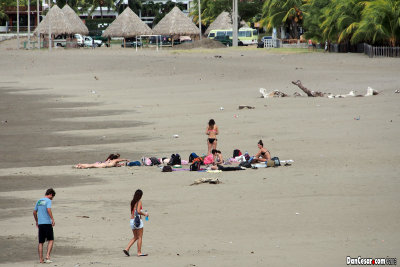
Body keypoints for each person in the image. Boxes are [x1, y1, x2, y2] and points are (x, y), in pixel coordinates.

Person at [33, 188, 56, 264]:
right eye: (52, 197)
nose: (52, 199)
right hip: (47, 223)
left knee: (41, 242)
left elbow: (34, 212)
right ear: (50, 194)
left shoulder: (39, 201)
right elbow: (48, 209)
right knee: (51, 240)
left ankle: (41, 259)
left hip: (40, 223)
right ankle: (47, 256)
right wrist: (52, 219)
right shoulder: (48, 201)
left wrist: (36, 221)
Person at [123, 189, 149, 257]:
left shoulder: (132, 202)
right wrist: (145, 214)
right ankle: (139, 252)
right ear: (140, 195)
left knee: (135, 237)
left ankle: (127, 248)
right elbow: (138, 211)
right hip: (137, 221)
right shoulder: (139, 201)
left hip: (132, 221)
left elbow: (132, 211)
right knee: (140, 237)